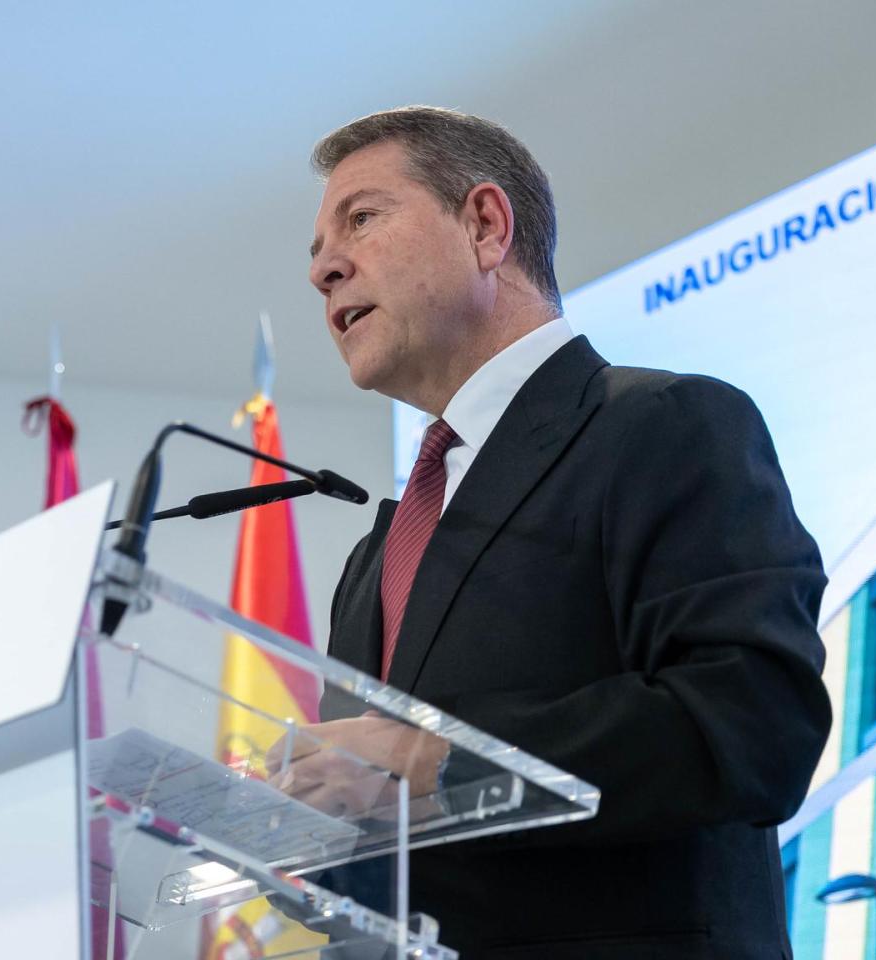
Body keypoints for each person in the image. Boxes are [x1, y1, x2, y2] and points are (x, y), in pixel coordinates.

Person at [270, 106, 831, 958]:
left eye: (362, 218)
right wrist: (298, 838)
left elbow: (752, 727)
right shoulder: (374, 559)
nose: (323, 270)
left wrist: (424, 755)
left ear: (485, 226)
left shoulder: (665, 424)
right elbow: (391, 851)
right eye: (317, 251)